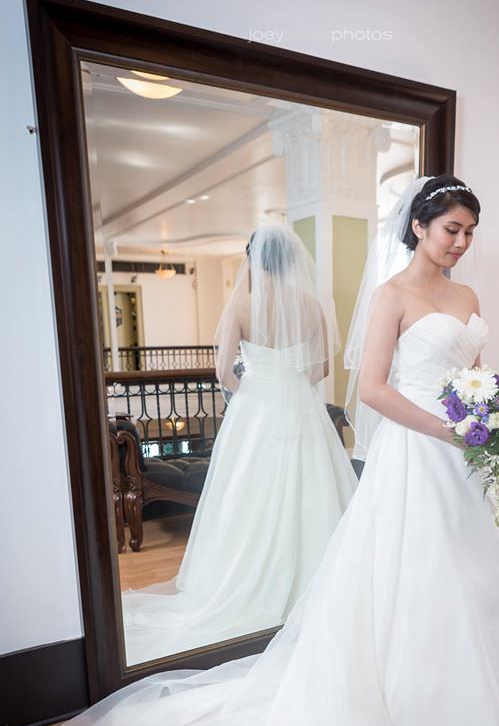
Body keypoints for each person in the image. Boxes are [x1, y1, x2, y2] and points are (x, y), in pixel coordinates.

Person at [53, 175, 499, 726]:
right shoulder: (389, 296)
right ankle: (406, 711)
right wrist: (452, 430)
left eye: (469, 231)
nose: (461, 242)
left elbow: (472, 378)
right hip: (417, 458)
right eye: (451, 228)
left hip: (462, 462)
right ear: (419, 226)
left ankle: (471, 707)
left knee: (468, 582)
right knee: (408, 579)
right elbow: (374, 390)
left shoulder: (469, 298)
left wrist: (491, 418)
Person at [121, 222, 358, 664]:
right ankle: (320, 585)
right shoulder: (311, 305)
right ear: (291, 261)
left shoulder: (243, 307)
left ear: (253, 260)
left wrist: (250, 389)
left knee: (250, 493)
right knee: (310, 489)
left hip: (257, 408)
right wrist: (294, 385)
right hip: (300, 404)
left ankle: (248, 583)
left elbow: (222, 373)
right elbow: (324, 364)